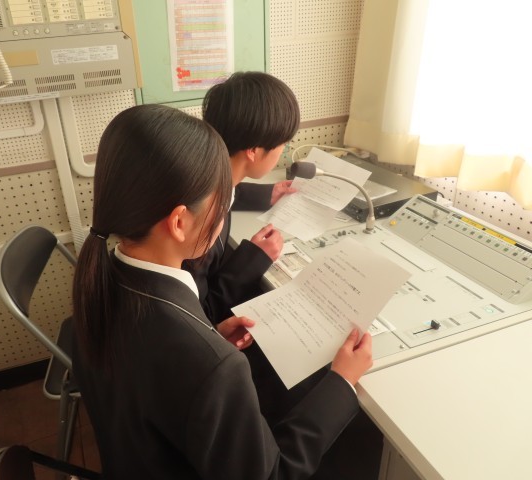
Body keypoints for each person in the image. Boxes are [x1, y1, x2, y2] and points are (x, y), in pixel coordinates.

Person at [72, 103, 373, 479]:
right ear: (179, 222)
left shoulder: (99, 283)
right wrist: (342, 382)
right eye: (222, 200)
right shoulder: (214, 366)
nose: (225, 209)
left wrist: (210, 335)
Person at [182, 71, 299, 325]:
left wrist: (268, 193)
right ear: (254, 151)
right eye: (283, 145)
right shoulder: (200, 221)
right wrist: (254, 259)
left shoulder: (206, 176)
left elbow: (232, 190)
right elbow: (203, 312)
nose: (283, 151)